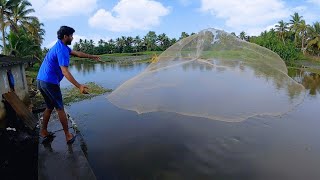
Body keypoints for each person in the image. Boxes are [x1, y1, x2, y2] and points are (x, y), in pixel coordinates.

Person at [37, 26, 100, 144]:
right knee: (60, 108)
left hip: (41, 80)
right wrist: (79, 86)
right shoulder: (61, 50)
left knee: (49, 107)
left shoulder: (61, 46)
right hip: (50, 82)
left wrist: (92, 56)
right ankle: (68, 135)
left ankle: (44, 131)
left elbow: (78, 54)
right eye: (71, 35)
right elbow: (65, 71)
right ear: (65, 36)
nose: (72, 37)